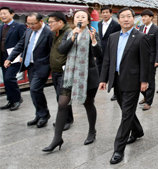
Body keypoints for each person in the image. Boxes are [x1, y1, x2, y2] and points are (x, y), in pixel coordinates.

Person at [42, 10, 102, 152]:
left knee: (88, 103)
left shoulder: (92, 33)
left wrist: (94, 41)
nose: (80, 19)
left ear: (88, 20)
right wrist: (73, 38)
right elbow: (62, 50)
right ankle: (57, 138)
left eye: (83, 17)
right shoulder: (69, 33)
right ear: (73, 20)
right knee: (62, 103)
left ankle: (92, 131)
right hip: (69, 74)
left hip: (88, 75)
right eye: (77, 17)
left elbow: (99, 54)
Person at [98, 7, 149, 164]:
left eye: (129, 16)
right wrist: (103, 79)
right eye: (123, 17)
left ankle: (118, 150)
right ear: (118, 20)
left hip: (133, 81)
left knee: (126, 115)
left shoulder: (140, 37)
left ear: (134, 19)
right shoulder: (113, 37)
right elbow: (107, 59)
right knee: (126, 110)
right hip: (116, 80)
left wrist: (144, 81)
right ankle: (138, 130)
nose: (126, 19)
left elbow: (145, 62)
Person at [5, 13, 53, 128]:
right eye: (28, 23)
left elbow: (53, 51)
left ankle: (44, 115)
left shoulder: (49, 32)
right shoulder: (28, 31)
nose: (30, 26)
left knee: (34, 89)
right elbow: (20, 45)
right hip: (30, 65)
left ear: (41, 22)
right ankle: (39, 114)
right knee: (35, 92)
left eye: (33, 24)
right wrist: (9, 58)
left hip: (42, 66)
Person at [47, 12, 74, 131]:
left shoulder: (69, 33)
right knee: (60, 96)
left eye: (51, 22)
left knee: (63, 97)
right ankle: (67, 118)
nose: (49, 24)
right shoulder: (55, 33)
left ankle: (67, 120)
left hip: (64, 71)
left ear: (60, 22)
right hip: (56, 70)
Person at [0, 7, 26, 111]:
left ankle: (17, 99)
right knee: (6, 81)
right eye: (1, 14)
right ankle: (10, 100)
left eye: (5, 13)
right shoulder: (1, 27)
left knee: (9, 78)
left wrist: (22, 55)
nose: (2, 16)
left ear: (12, 14)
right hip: (2, 57)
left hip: (14, 57)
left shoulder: (19, 26)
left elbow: (24, 41)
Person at [138, 9, 158, 111]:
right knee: (140, 79)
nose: (143, 18)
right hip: (140, 58)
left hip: (151, 58)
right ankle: (145, 95)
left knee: (150, 80)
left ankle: (148, 102)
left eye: (146, 16)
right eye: (142, 16)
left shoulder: (156, 29)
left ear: (151, 17)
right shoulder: (140, 28)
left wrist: (157, 59)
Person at [96, 6, 121, 101]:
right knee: (99, 67)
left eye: (107, 12)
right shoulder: (99, 24)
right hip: (101, 50)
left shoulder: (115, 25)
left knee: (112, 71)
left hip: (111, 51)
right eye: (103, 12)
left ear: (111, 14)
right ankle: (100, 83)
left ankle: (115, 93)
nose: (105, 14)